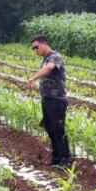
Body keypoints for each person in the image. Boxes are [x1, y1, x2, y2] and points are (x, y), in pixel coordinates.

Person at [27, 35, 71, 168]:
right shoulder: (44, 60)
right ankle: (56, 156)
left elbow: (49, 68)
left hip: (56, 99)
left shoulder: (54, 57)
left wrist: (33, 77)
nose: (35, 50)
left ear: (44, 43)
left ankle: (64, 158)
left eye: (37, 47)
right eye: (33, 48)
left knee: (58, 129)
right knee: (50, 128)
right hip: (47, 99)